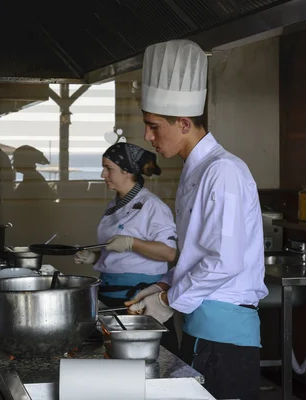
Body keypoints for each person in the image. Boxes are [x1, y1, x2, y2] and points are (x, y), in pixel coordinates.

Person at [125, 39, 268, 400]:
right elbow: (197, 252)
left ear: (184, 123)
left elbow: (224, 261)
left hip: (226, 338)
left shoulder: (224, 171)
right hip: (201, 330)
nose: (148, 137)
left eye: (154, 126)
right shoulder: (195, 170)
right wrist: (163, 286)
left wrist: (171, 299)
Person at [73, 142, 179, 353]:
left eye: (108, 168)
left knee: (147, 358)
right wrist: (94, 258)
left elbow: (169, 252)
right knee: (113, 357)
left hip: (139, 300)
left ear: (128, 171)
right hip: (109, 296)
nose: (103, 174)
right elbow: (118, 254)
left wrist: (132, 243)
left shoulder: (152, 206)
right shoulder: (114, 205)